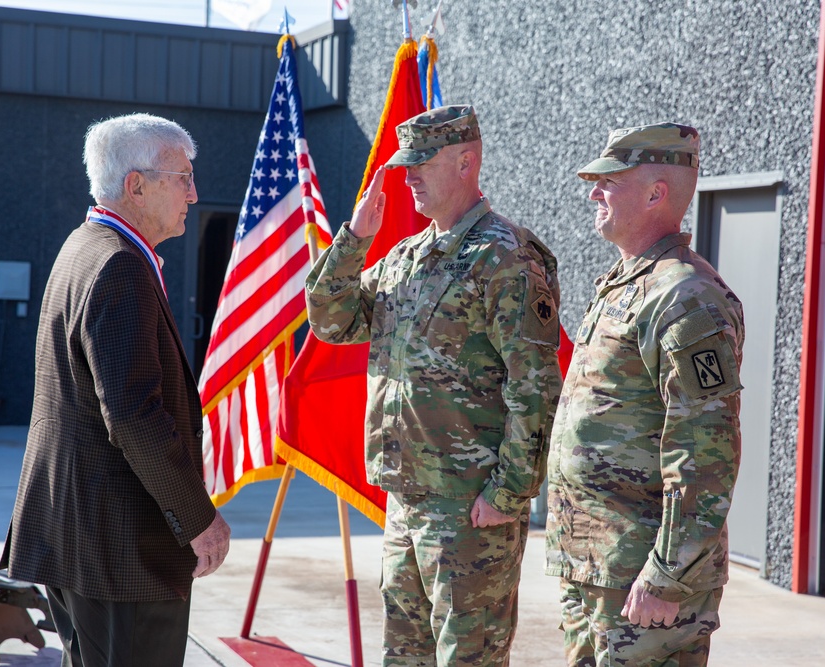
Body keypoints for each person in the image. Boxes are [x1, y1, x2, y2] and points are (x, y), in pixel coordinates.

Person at [306, 105, 563, 666]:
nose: (409, 175)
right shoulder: (406, 256)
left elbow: (536, 385)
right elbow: (330, 319)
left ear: (467, 162)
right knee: (404, 656)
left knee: (466, 658)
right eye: (407, 163)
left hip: (471, 507)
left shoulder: (505, 258)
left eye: (422, 162)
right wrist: (354, 239)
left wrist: (508, 491)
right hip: (407, 498)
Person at [0, 112, 230, 666]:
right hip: (120, 550)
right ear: (137, 185)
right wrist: (198, 518)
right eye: (183, 178)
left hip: (79, 536)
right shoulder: (120, 267)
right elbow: (131, 416)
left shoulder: (83, 246)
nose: (194, 194)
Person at [544, 122, 745, 667]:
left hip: (644, 577)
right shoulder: (627, 283)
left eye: (609, 180)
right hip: (594, 566)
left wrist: (669, 572)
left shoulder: (686, 297)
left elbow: (705, 451)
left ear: (657, 193)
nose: (594, 192)